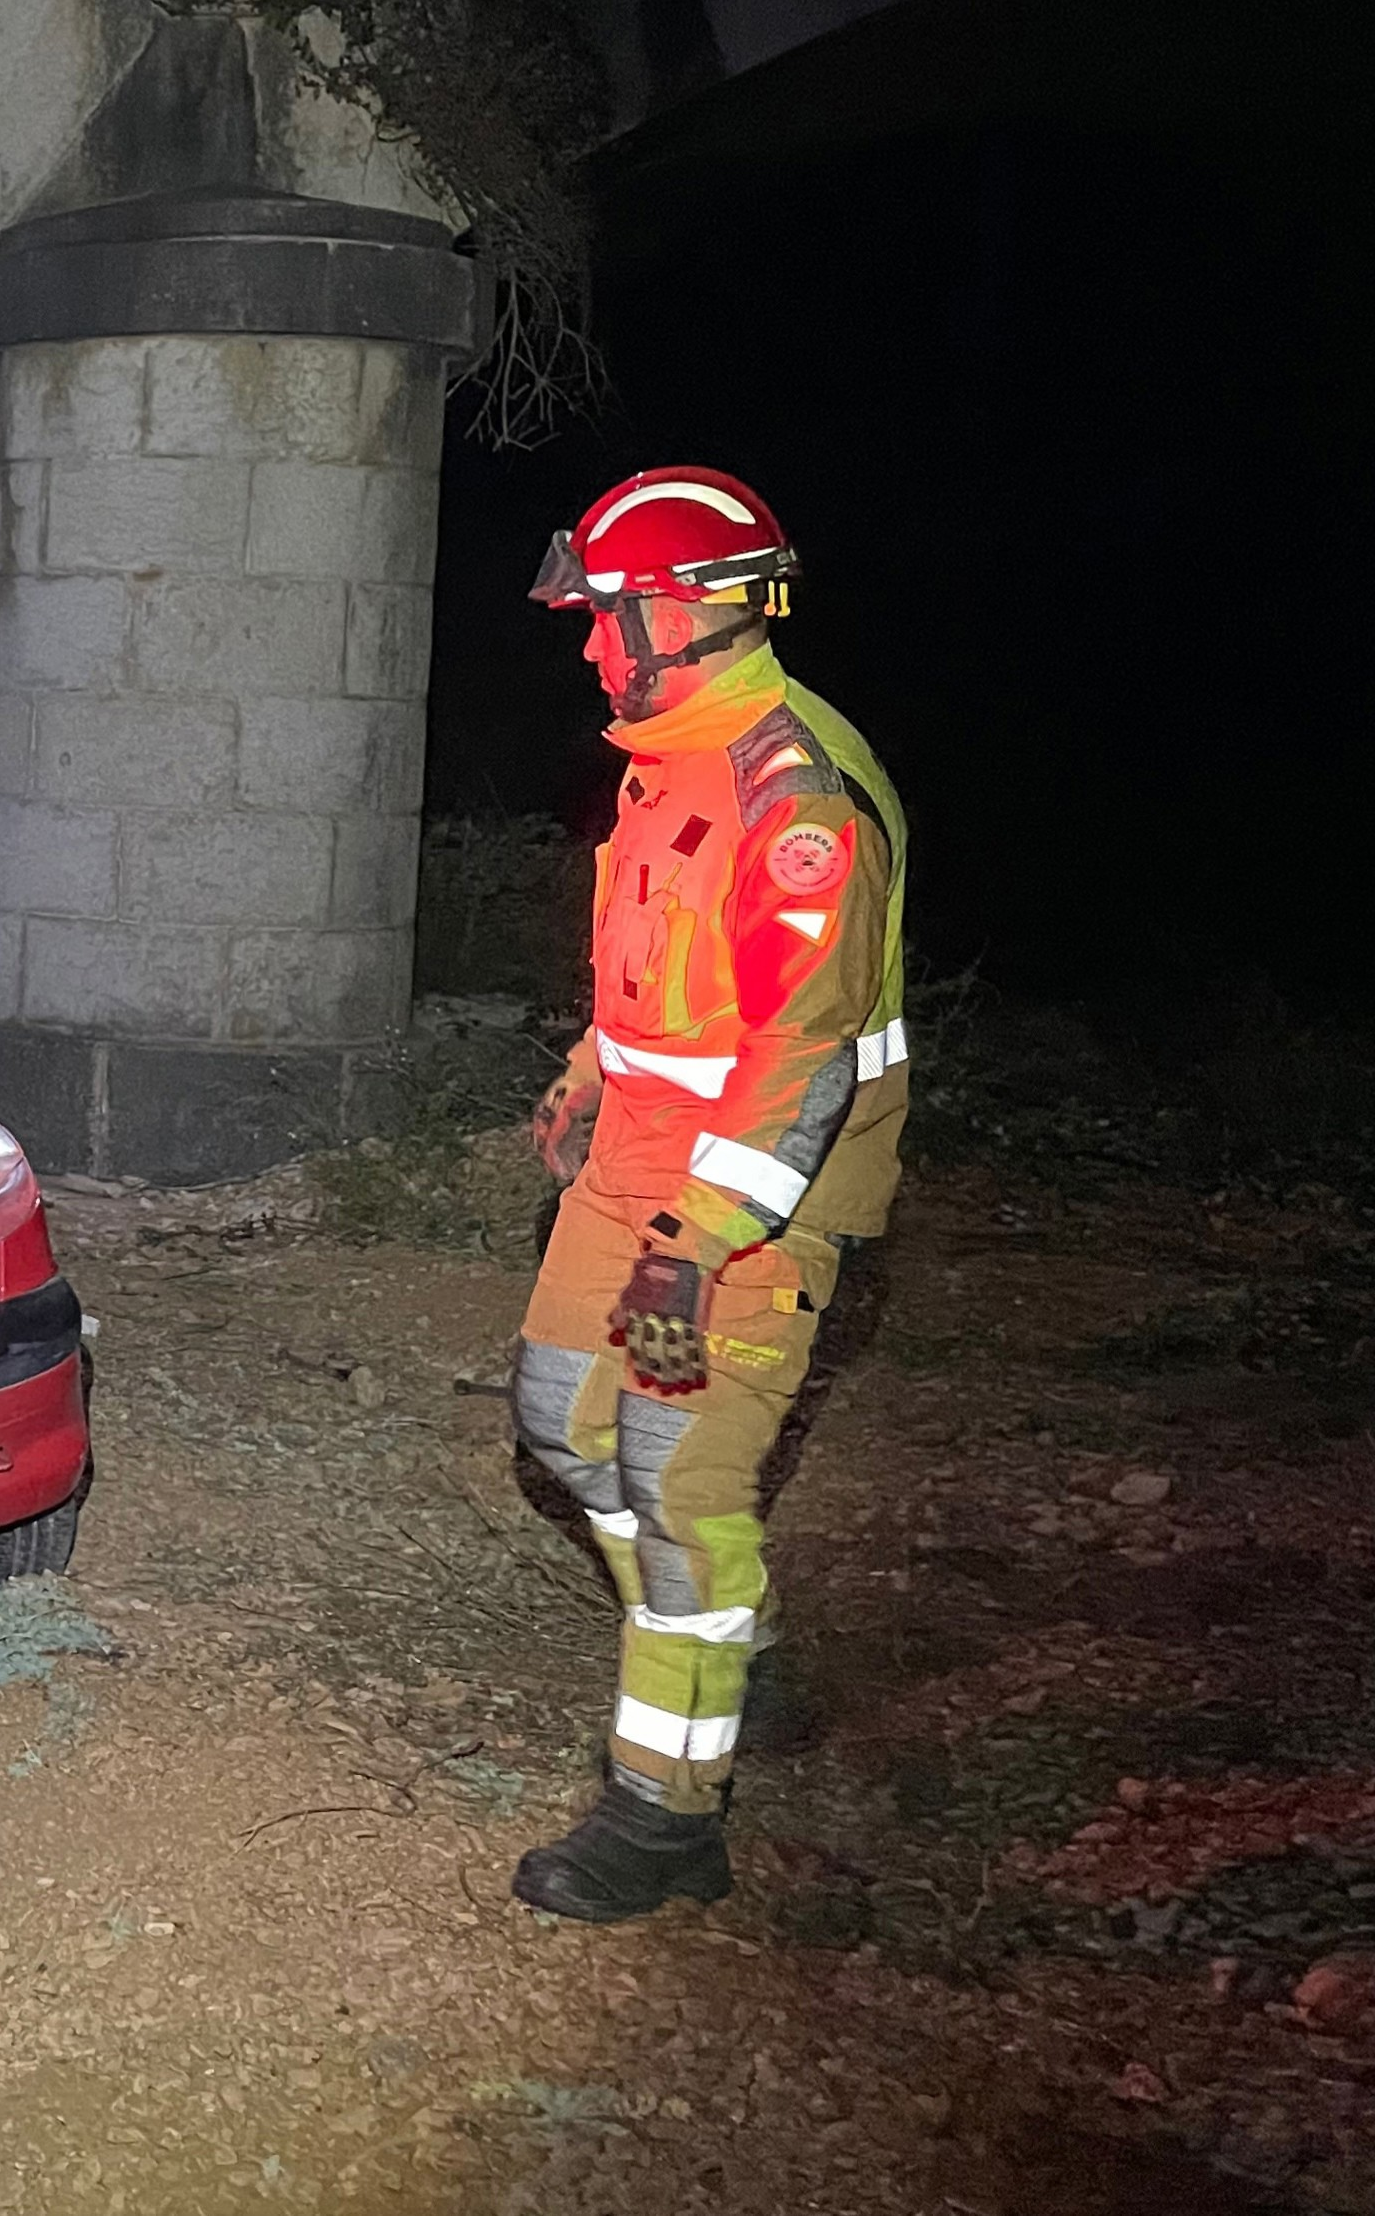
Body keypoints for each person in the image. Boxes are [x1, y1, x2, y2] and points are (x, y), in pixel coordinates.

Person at [509, 470, 908, 1921]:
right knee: (560, 1420)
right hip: (634, 1170)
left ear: (681, 611)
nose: (590, 645)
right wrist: (586, 1072)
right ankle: (724, 1626)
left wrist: (694, 1244)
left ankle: (668, 1811)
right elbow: (667, 991)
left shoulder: (798, 798)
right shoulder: (670, 755)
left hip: (746, 1205)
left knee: (681, 1490)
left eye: (606, 616)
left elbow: (797, 1064)